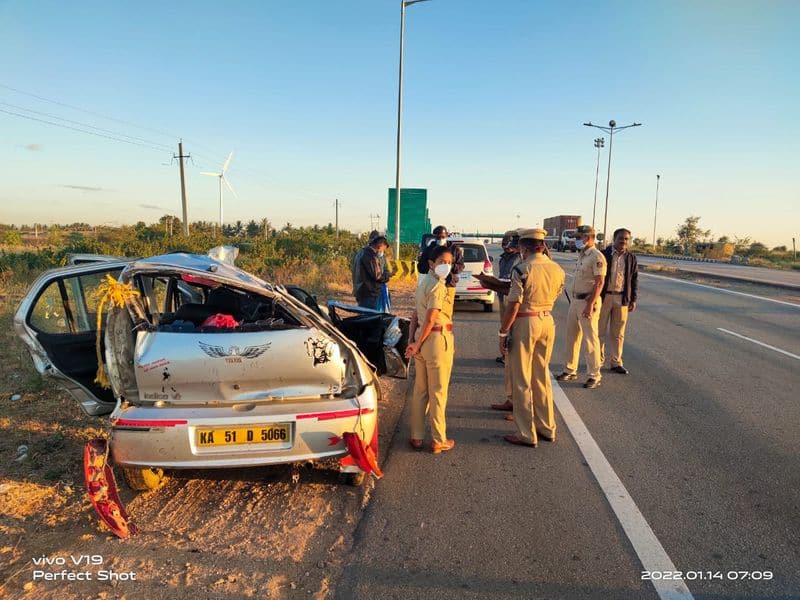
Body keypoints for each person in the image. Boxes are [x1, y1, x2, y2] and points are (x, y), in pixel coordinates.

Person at [498, 228, 565, 446]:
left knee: (521, 379)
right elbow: (556, 294)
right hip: (547, 320)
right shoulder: (557, 269)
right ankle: (547, 427)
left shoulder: (522, 268)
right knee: (541, 376)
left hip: (526, 321)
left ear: (524, 248)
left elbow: (514, 303)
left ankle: (526, 433)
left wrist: (503, 331)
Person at [405, 244, 456, 454]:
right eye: (442, 262)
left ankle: (416, 436)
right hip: (436, 339)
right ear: (431, 263)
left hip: (422, 340)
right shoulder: (437, 285)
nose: (446, 266)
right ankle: (438, 439)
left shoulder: (423, 281)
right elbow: (430, 317)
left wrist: (413, 340)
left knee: (420, 391)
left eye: (449, 263)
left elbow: (416, 315)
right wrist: (416, 342)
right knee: (438, 392)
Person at [556, 225, 606, 389]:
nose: (576, 240)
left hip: (588, 302)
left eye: (579, 237)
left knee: (590, 340)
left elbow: (599, 283)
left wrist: (590, 304)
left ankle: (594, 375)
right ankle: (570, 369)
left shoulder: (596, 256)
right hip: (576, 301)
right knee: (572, 337)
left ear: (589, 237)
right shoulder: (582, 255)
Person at [599, 228, 639, 374]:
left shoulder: (631, 258)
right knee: (599, 331)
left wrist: (633, 299)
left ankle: (616, 362)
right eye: (621, 238)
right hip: (604, 298)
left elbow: (634, 280)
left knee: (618, 333)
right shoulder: (603, 255)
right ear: (614, 239)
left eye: (627, 239)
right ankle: (597, 361)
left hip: (622, 299)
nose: (624, 241)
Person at [417, 225, 465, 306]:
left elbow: (460, 266)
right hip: (433, 285)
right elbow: (421, 267)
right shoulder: (429, 249)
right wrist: (433, 267)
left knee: (446, 311)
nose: (440, 239)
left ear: (446, 235)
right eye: (438, 237)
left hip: (448, 284)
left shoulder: (454, 249)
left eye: (442, 237)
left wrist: (448, 266)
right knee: (432, 308)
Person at [352, 233, 391, 310]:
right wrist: (387, 276)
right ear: (380, 245)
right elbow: (377, 276)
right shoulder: (370, 255)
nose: (382, 252)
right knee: (370, 318)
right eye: (383, 249)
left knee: (364, 317)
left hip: (361, 291)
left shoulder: (360, 253)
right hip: (369, 293)